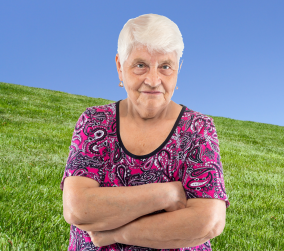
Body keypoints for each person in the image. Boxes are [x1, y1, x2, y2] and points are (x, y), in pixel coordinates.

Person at [60, 13, 230, 251]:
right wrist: (167, 194)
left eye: (165, 67)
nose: (153, 80)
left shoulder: (197, 128)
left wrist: (115, 232)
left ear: (178, 69)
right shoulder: (95, 121)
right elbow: (78, 208)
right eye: (140, 65)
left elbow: (208, 222)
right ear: (120, 66)